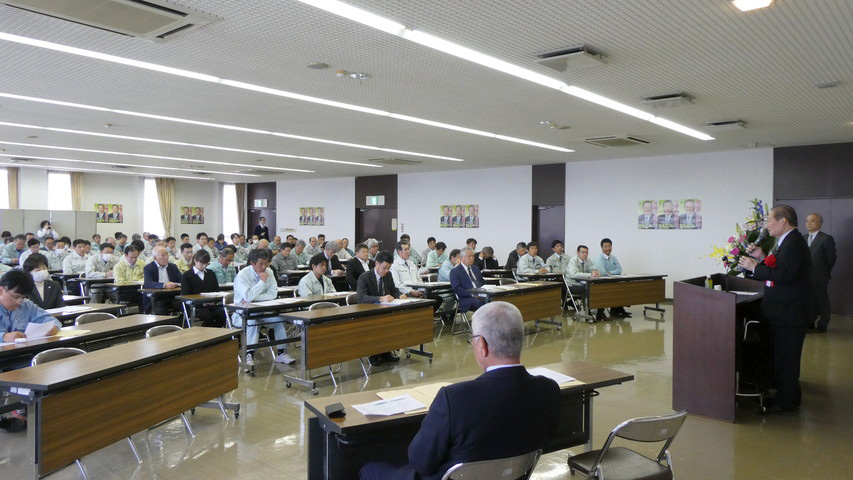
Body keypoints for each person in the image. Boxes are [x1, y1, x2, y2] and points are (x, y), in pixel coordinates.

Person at [360, 301, 561, 480]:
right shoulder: (549, 390)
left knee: (368, 469)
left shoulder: (455, 398)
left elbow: (421, 462)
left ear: (482, 345)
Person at [739, 205, 811, 414]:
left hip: (789, 313)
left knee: (787, 358)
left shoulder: (794, 243)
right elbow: (780, 268)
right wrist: (762, 258)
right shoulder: (786, 241)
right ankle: (788, 396)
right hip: (783, 311)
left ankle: (786, 402)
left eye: (769, 220)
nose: (766, 226)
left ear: (783, 221)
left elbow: (785, 276)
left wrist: (755, 267)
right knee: (782, 356)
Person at [232, 248, 294, 365]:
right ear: (252, 263)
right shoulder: (242, 275)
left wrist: (254, 298)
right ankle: (249, 354)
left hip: (263, 312)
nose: (264, 266)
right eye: (261, 264)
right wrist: (262, 282)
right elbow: (248, 296)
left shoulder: (269, 272)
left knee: (279, 320)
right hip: (241, 315)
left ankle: (281, 353)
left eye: (266, 263)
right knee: (252, 321)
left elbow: (273, 294)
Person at [356, 251, 407, 365]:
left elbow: (393, 290)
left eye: (388, 268)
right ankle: (374, 354)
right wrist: (380, 298)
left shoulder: (388, 275)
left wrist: (399, 295)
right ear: (377, 264)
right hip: (369, 311)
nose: (386, 271)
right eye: (384, 268)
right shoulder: (365, 277)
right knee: (379, 323)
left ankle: (386, 352)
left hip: (385, 310)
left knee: (394, 321)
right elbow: (361, 298)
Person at [804, 213, 836, 332]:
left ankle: (823, 323)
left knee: (821, 300)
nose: (809, 223)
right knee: (809, 300)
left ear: (820, 223)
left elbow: (831, 258)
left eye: (812, 221)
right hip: (805, 277)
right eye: (807, 221)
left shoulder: (826, 239)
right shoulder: (803, 237)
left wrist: (823, 271)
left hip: (820, 276)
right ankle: (810, 322)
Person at [180, 249, 226, 328]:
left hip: (211, 304)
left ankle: (216, 332)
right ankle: (205, 333)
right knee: (208, 316)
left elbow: (217, 291)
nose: (204, 266)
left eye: (206, 263)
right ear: (195, 261)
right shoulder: (187, 276)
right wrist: (201, 303)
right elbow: (185, 295)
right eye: (202, 263)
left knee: (222, 313)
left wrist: (213, 301)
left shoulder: (211, 273)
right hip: (195, 306)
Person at [594, 238, 630, 317]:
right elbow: (603, 273)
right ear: (602, 247)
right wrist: (612, 272)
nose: (608, 248)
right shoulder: (598, 258)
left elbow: (619, 269)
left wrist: (610, 272)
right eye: (605, 246)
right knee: (613, 289)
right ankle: (602, 312)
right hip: (601, 283)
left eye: (609, 246)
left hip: (612, 281)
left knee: (624, 287)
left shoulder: (613, 258)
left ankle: (618, 309)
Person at [142, 247, 181, 314]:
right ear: (155, 258)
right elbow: (148, 283)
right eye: (163, 255)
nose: (166, 257)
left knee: (184, 304)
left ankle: (183, 320)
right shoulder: (149, 268)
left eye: (167, 254)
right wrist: (164, 285)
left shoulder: (173, 267)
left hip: (172, 295)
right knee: (160, 307)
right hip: (157, 297)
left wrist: (176, 284)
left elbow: (182, 280)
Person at [567, 245, 603, 320]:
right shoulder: (573, 261)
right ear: (578, 253)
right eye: (582, 252)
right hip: (572, 285)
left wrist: (596, 272)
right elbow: (574, 274)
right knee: (588, 290)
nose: (585, 254)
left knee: (598, 288)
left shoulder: (588, 260)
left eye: (586, 252)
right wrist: (590, 274)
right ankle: (588, 313)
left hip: (584, 284)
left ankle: (600, 313)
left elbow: (594, 269)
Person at [450, 248, 485, 313]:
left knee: (495, 300)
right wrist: (472, 294)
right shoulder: (455, 271)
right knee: (481, 303)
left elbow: (482, 283)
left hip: (481, 295)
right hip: (466, 298)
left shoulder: (476, 268)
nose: (472, 258)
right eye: (469, 256)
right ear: (462, 258)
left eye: (473, 256)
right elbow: (457, 289)